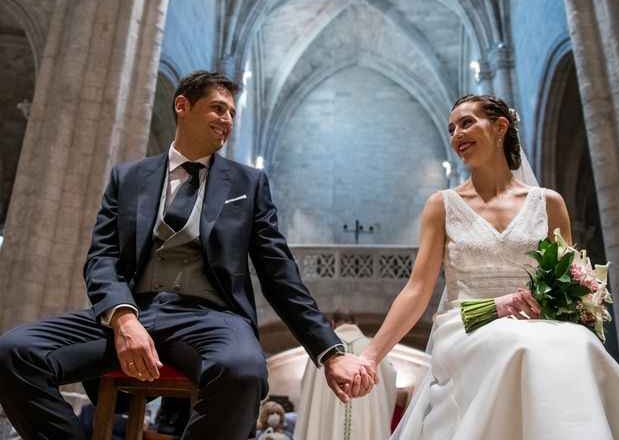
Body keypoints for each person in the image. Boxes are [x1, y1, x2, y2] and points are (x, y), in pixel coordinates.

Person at [0, 70, 375, 439]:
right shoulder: (128, 178)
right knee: (14, 352)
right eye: (217, 109)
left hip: (211, 317)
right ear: (182, 106)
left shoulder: (248, 184)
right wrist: (124, 319)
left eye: (231, 113)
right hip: (133, 310)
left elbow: (280, 275)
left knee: (243, 370)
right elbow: (102, 258)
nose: (227, 120)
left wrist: (330, 352)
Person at [357, 94, 619, 439]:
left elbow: (568, 280)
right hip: (467, 322)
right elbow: (417, 289)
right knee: (518, 347)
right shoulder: (441, 206)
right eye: (451, 128)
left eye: (466, 123)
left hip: (537, 324)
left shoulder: (549, 203)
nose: (456, 134)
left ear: (500, 127)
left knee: (579, 345)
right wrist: (371, 356)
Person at [295, 307, 397, 440]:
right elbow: (390, 381)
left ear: (332, 323)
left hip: (326, 421)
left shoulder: (322, 349)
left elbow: (307, 387)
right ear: (355, 324)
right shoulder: (372, 348)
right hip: (365, 423)